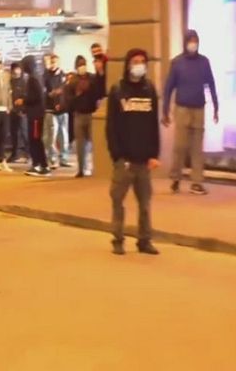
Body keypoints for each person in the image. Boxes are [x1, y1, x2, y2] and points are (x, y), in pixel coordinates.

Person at [106, 48, 160, 256]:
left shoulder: (149, 90)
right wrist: (117, 155)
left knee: (145, 203)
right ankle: (118, 239)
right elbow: (111, 126)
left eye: (142, 61)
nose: (139, 65)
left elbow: (153, 124)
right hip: (124, 159)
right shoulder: (118, 91)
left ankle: (144, 240)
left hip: (143, 159)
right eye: (135, 61)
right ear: (128, 64)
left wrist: (154, 154)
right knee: (118, 200)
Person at [162, 29, 218, 196]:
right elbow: (168, 87)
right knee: (180, 146)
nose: (193, 44)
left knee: (197, 148)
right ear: (185, 42)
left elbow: (211, 84)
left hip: (199, 108)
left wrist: (216, 106)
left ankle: (197, 182)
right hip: (182, 108)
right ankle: (176, 178)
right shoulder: (177, 63)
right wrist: (165, 110)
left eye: (195, 40)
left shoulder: (204, 62)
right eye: (190, 40)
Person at [63, 55, 106, 178]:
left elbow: (99, 92)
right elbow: (68, 100)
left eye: (84, 64)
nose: (82, 67)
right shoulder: (72, 81)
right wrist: (77, 94)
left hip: (91, 114)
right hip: (78, 115)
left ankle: (94, 168)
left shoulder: (92, 78)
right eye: (80, 65)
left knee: (94, 143)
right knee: (80, 145)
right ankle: (81, 169)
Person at [20, 55, 51, 177]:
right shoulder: (37, 77)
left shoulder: (33, 78)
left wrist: (24, 100)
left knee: (35, 140)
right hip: (35, 114)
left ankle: (40, 165)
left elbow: (37, 96)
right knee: (35, 140)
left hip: (35, 115)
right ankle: (40, 164)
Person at [43, 54, 71, 169]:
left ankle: (64, 158)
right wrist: (52, 95)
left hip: (63, 110)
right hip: (50, 110)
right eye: (51, 62)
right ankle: (52, 159)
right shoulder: (45, 76)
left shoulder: (63, 76)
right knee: (51, 137)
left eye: (54, 62)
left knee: (64, 135)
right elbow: (46, 92)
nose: (52, 64)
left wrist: (61, 103)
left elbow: (65, 92)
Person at [8, 62, 29, 165]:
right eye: (14, 69)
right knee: (14, 134)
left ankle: (28, 154)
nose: (16, 71)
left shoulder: (25, 81)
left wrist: (23, 107)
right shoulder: (10, 82)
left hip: (22, 112)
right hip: (12, 111)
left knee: (25, 134)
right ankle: (14, 154)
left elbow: (27, 96)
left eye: (18, 69)